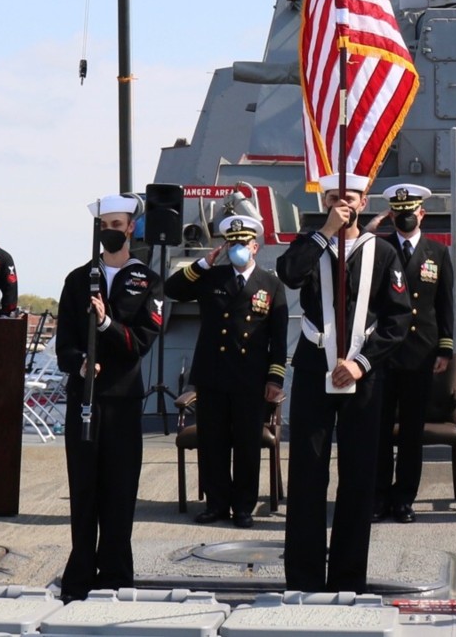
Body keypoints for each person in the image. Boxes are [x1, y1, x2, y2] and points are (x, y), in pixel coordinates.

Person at [277, 173, 409, 593]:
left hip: (361, 379)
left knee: (358, 479)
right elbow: (289, 275)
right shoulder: (310, 245)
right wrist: (325, 233)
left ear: (364, 201)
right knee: (307, 475)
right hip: (315, 370)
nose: (341, 204)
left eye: (348, 198)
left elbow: (398, 318)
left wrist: (362, 364)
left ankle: (349, 578)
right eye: (333, 198)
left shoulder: (383, 253)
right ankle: (304, 577)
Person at [55, 194, 164, 600]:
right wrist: (79, 362)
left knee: (119, 492)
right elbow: (63, 342)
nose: (110, 232)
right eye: (105, 225)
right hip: (84, 399)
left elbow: (140, 342)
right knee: (84, 490)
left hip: (122, 402)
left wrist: (105, 324)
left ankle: (117, 574)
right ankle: (80, 572)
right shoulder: (77, 280)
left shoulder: (148, 282)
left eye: (117, 225)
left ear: (131, 228)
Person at [165, 213, 287, 527]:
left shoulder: (270, 283)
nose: (237, 248)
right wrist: (203, 263)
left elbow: (279, 337)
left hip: (250, 379)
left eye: (242, 243)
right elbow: (172, 289)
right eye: (231, 243)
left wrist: (275, 378)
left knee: (247, 446)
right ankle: (217, 505)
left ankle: (243, 507)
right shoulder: (211, 277)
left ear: (255, 246)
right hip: (213, 375)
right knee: (213, 444)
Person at [372, 183, 455, 523]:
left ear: (422, 213)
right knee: (378, 430)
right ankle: (378, 497)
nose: (405, 217)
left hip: (421, 353)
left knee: (410, 431)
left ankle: (404, 498)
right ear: (391, 214)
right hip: (382, 352)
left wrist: (446, 347)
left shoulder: (438, 252)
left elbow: (444, 303)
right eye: (398, 212)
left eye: (411, 211)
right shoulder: (378, 247)